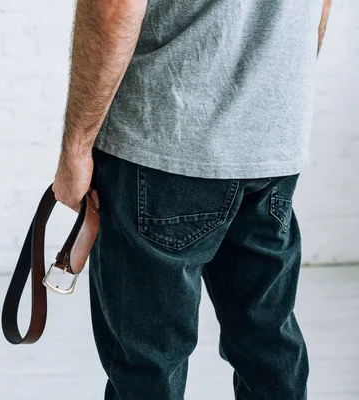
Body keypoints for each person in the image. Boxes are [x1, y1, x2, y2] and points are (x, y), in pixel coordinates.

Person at [52, 0, 333, 399]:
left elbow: (114, 6)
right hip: (273, 147)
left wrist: (75, 148)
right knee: (267, 338)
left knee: (147, 359)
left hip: (165, 146)